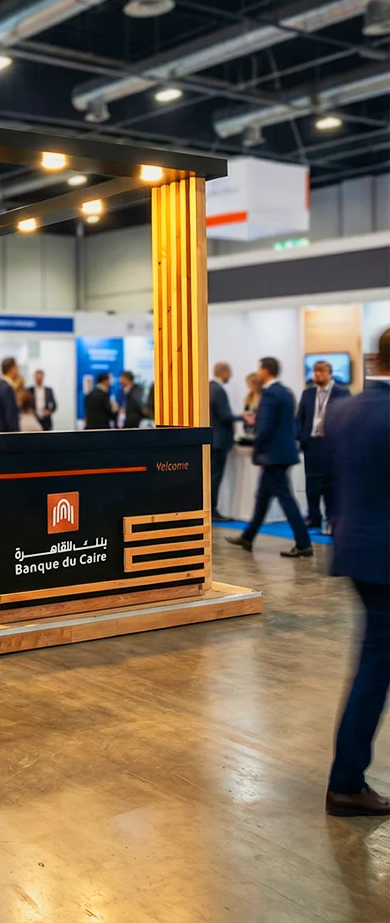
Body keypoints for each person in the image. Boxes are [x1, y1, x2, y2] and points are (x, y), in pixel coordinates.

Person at [324, 329, 390, 818]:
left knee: (375, 659)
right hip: (385, 557)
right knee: (375, 664)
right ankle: (346, 781)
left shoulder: (344, 409)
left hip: (356, 549)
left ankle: (348, 778)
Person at [227, 357, 312, 558]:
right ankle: (248, 537)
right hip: (283, 452)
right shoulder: (286, 392)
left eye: (260, 369)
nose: (258, 372)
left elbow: (264, 427)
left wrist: (256, 447)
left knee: (286, 498)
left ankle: (304, 543)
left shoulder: (270, 394)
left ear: (266, 371)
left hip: (273, 455)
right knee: (263, 498)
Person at [295, 359, 350, 531]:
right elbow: (300, 417)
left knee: (330, 485)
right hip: (311, 444)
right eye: (315, 371)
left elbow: (347, 418)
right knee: (311, 485)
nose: (317, 374)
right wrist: (300, 437)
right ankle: (313, 517)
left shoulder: (342, 392)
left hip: (331, 445)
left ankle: (332, 520)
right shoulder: (308, 393)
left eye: (321, 371)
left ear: (330, 373)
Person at [209, 362, 238, 521]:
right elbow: (225, 415)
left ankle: (209, 508)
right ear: (224, 372)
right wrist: (243, 417)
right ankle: (213, 510)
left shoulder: (208, 388)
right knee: (215, 476)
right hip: (220, 441)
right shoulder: (218, 390)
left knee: (211, 476)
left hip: (211, 439)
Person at [0, 357, 20, 433]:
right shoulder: (7, 388)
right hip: (5, 436)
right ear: (12, 369)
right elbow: (10, 416)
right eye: (17, 367)